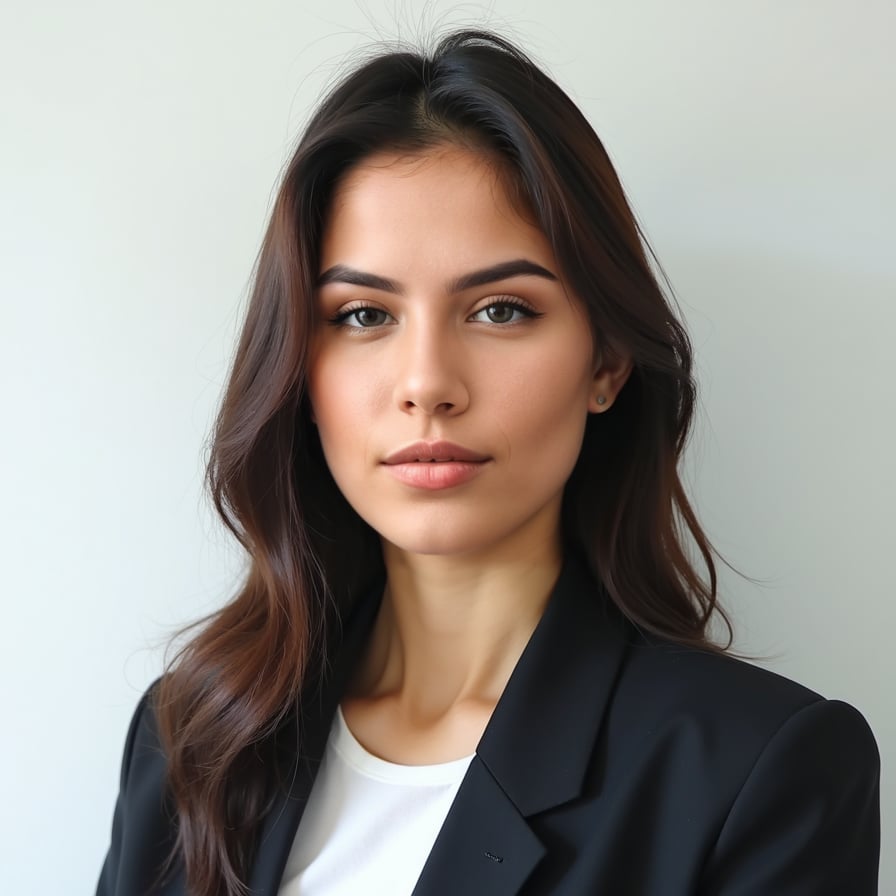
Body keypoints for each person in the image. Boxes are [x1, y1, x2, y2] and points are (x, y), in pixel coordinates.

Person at [96, 29, 881, 896]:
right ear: (299, 373)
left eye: (501, 310)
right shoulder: (190, 739)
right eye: (363, 315)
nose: (427, 384)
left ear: (606, 363)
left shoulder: (756, 772)